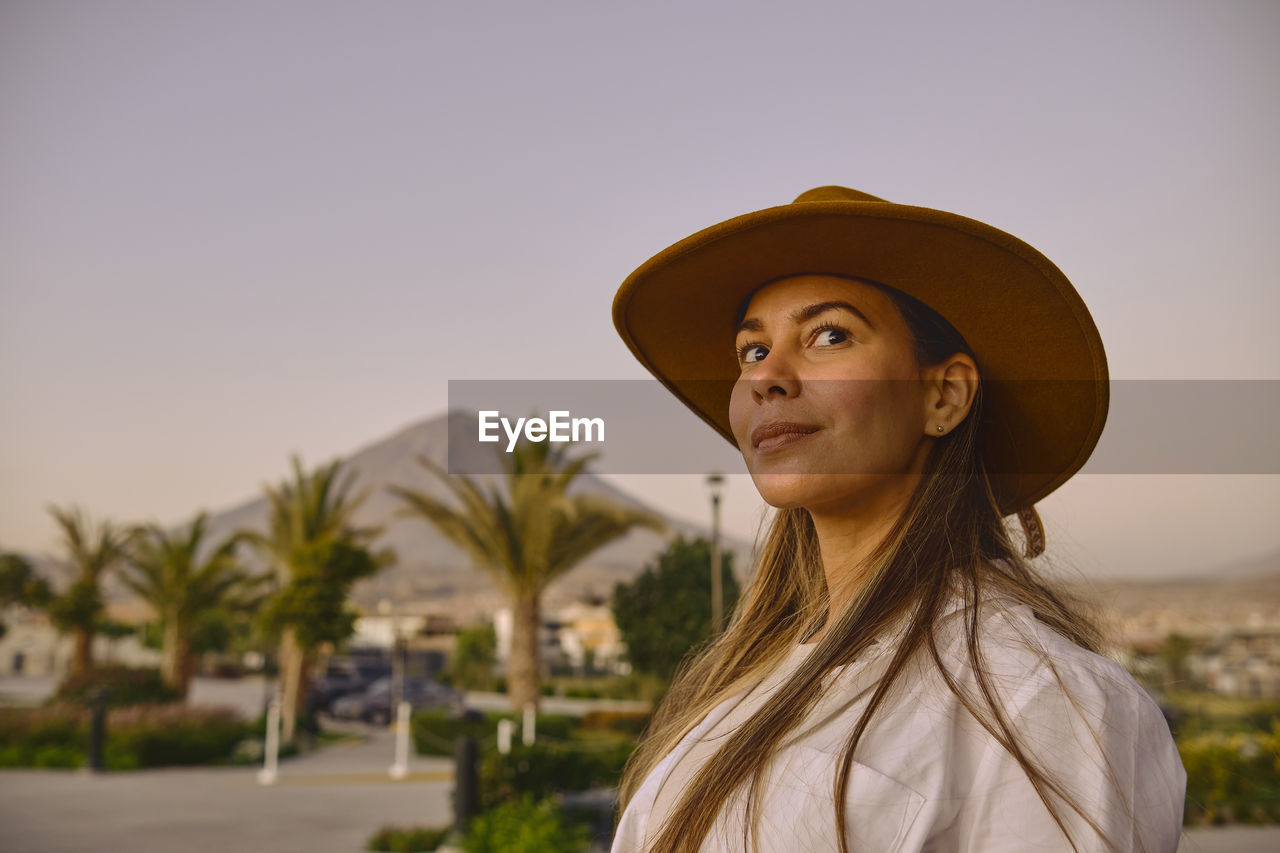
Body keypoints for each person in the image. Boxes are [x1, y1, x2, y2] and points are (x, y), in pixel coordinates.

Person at [608, 186, 1187, 852]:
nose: (768, 375)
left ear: (943, 395)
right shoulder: (746, 678)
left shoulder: (1046, 705)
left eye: (830, 335)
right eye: (752, 350)